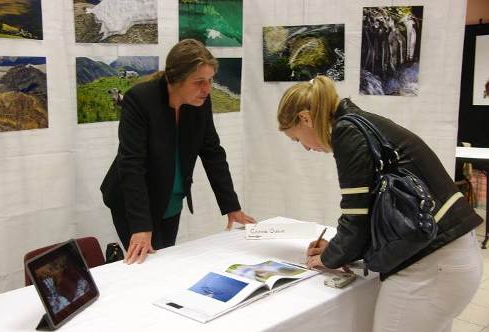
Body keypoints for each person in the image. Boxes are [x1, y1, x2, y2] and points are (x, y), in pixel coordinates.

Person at [276, 75, 483, 332]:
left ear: (305, 118)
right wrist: (340, 250)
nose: (305, 148)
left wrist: (329, 258)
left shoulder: (347, 132)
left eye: (297, 139)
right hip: (453, 256)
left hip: (430, 267)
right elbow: (375, 212)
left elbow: (356, 219)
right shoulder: (365, 123)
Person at [101, 39, 255, 265]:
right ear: (176, 80)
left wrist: (231, 206)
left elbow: (212, 153)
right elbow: (131, 163)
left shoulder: (200, 101)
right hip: (134, 203)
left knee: (166, 262)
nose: (207, 89)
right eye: (199, 82)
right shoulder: (140, 99)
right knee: (149, 268)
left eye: (210, 80)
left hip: (170, 199)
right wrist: (141, 227)